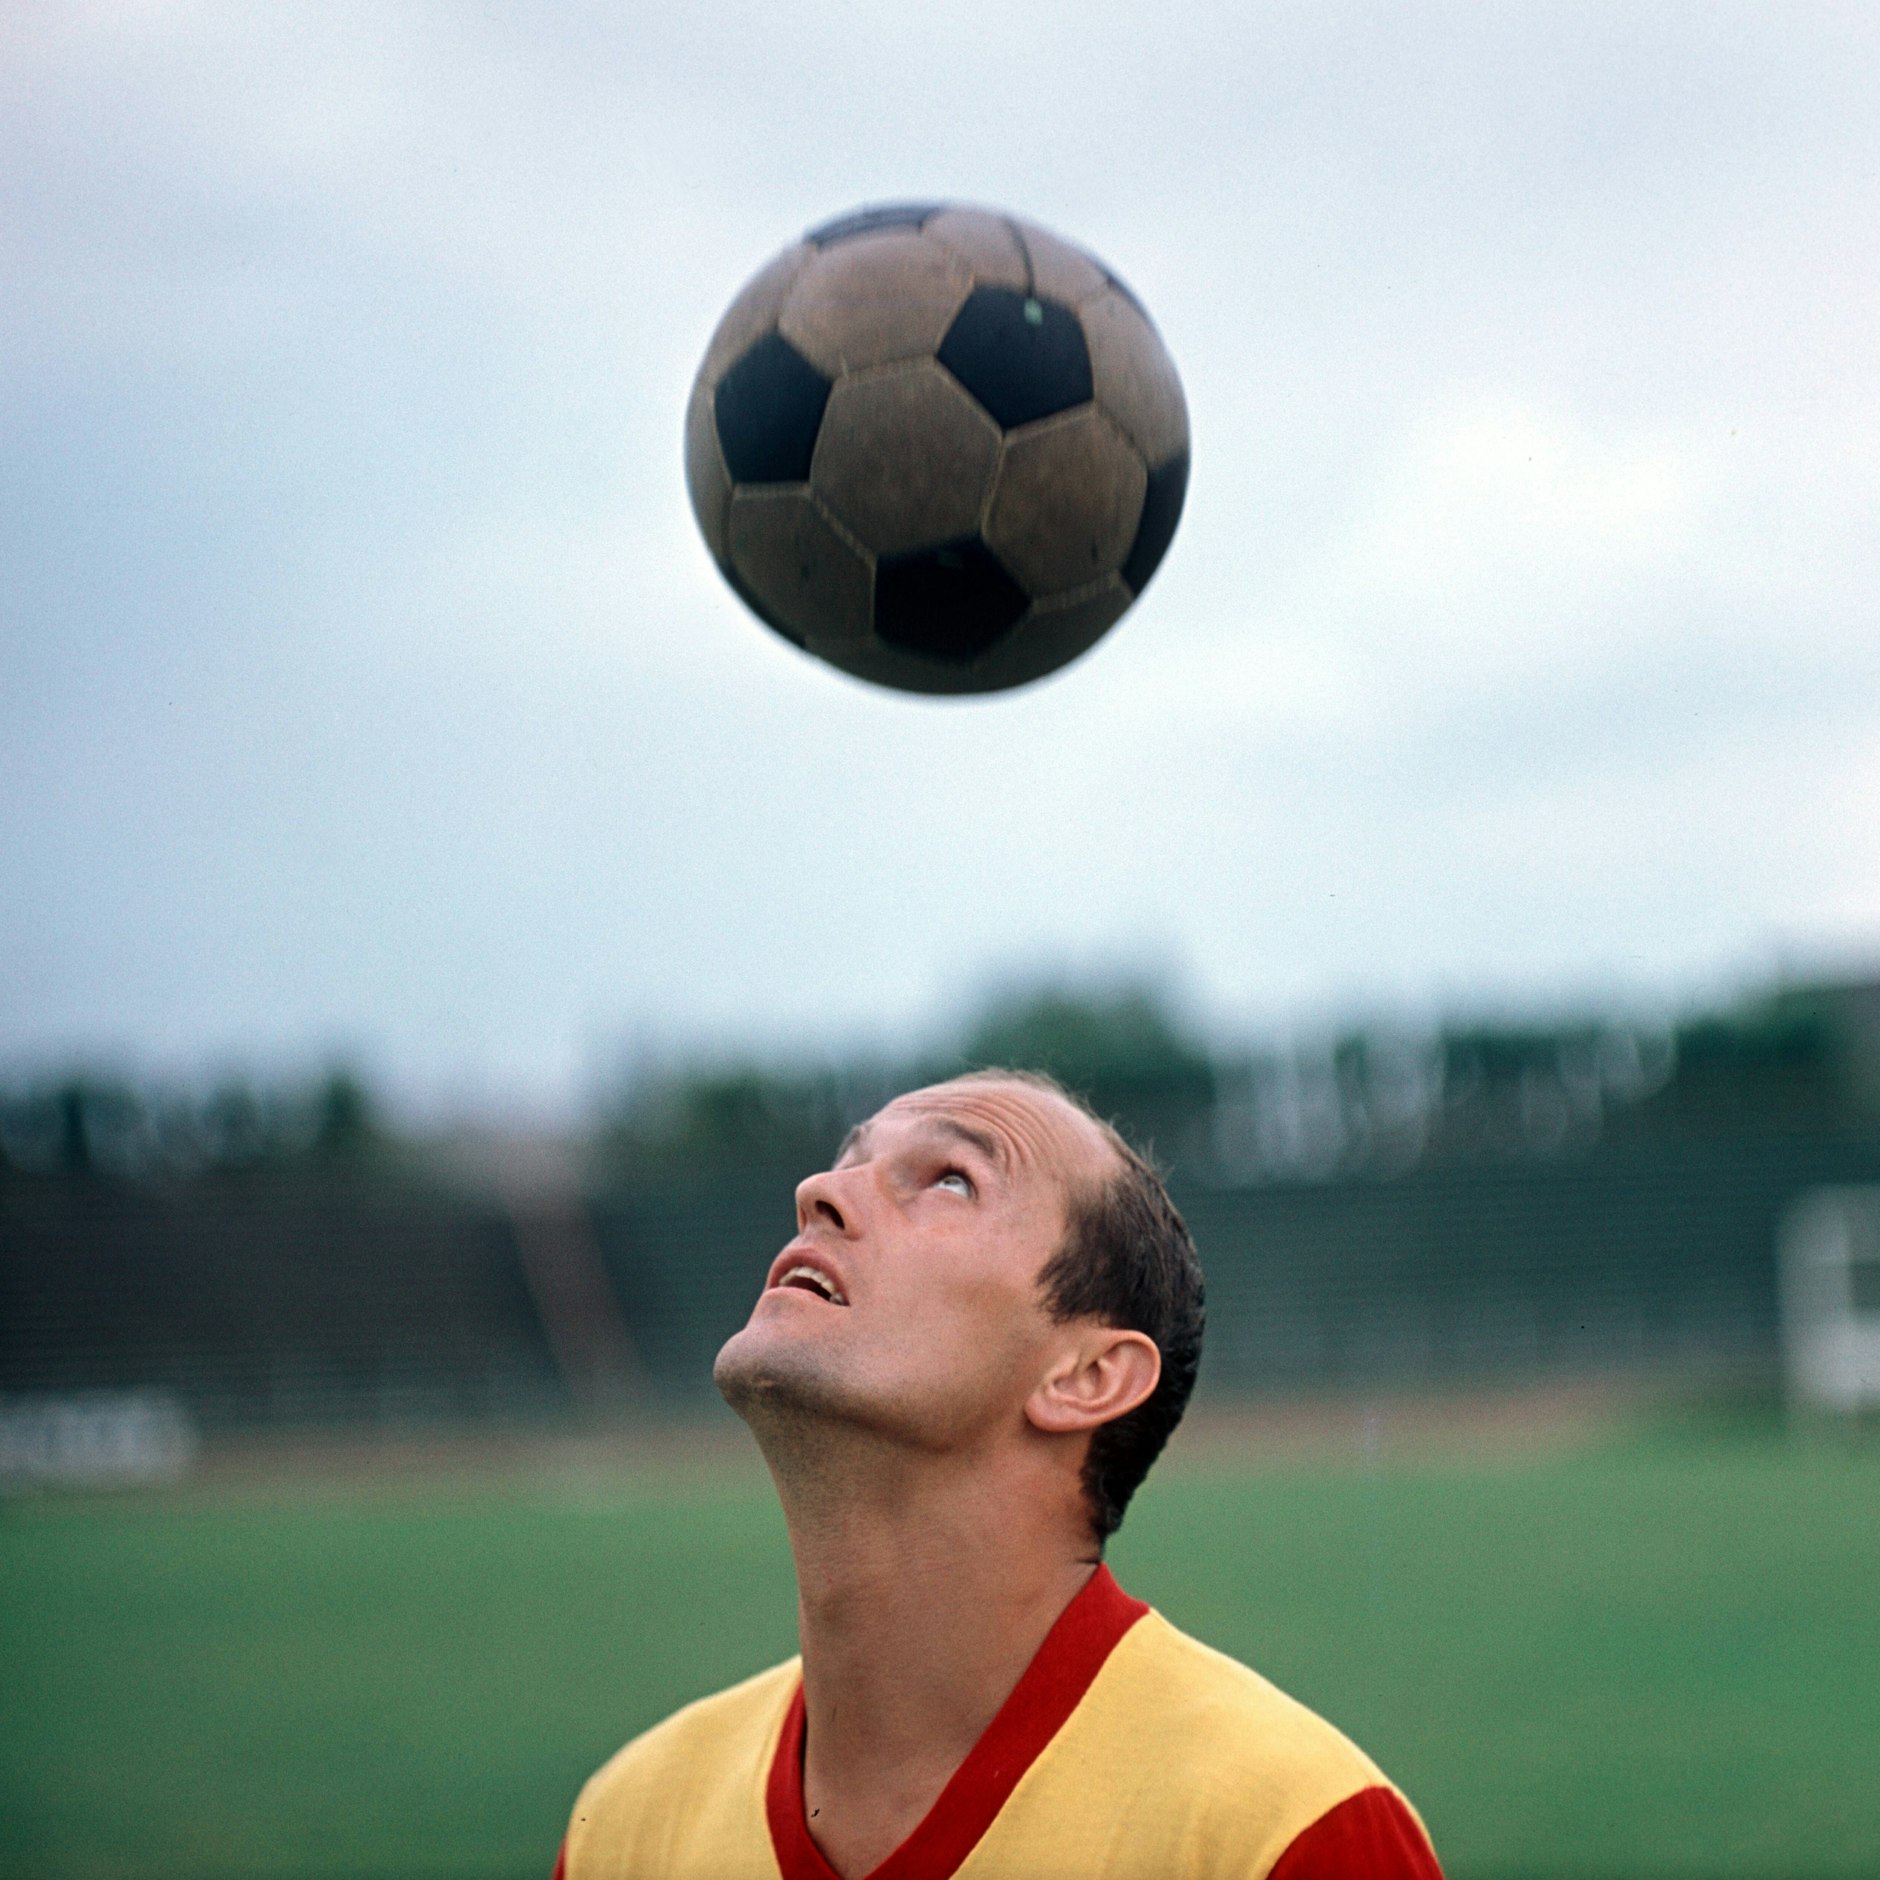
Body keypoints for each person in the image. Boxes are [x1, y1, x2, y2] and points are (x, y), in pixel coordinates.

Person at [556, 1070, 1442, 1880]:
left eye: (949, 1179)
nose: (818, 1192)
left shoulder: (1285, 1837)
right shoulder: (626, 1828)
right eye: (847, 1162)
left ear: (1084, 1376)